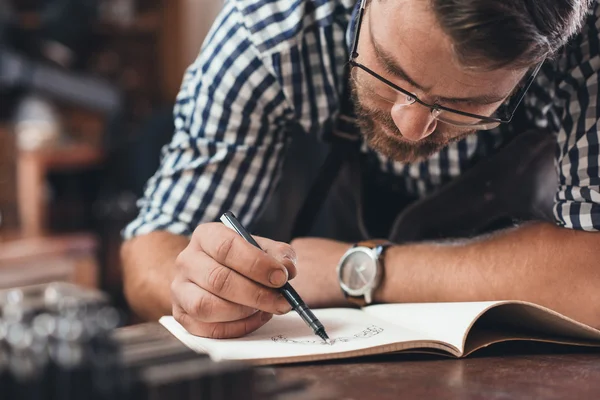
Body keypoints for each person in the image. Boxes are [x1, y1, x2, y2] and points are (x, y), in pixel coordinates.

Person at [121, 0, 600, 339]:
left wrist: (352, 269)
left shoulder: (589, 50)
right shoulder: (271, 27)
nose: (410, 125)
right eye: (390, 72)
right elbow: (149, 255)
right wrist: (198, 285)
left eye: (467, 104)